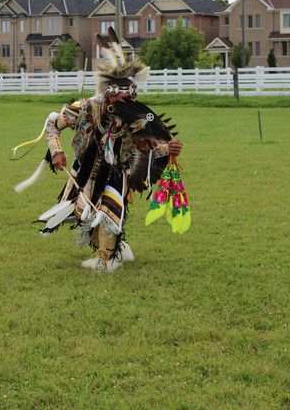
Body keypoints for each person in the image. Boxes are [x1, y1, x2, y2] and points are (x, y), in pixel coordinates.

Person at [14, 27, 183, 272]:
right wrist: (56, 151)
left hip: (117, 172)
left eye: (133, 100)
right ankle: (113, 251)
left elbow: (147, 146)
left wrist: (169, 149)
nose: (131, 104)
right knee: (87, 215)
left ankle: (105, 260)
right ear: (111, 96)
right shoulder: (84, 108)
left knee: (107, 214)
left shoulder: (134, 119)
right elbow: (52, 123)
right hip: (85, 170)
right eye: (126, 100)